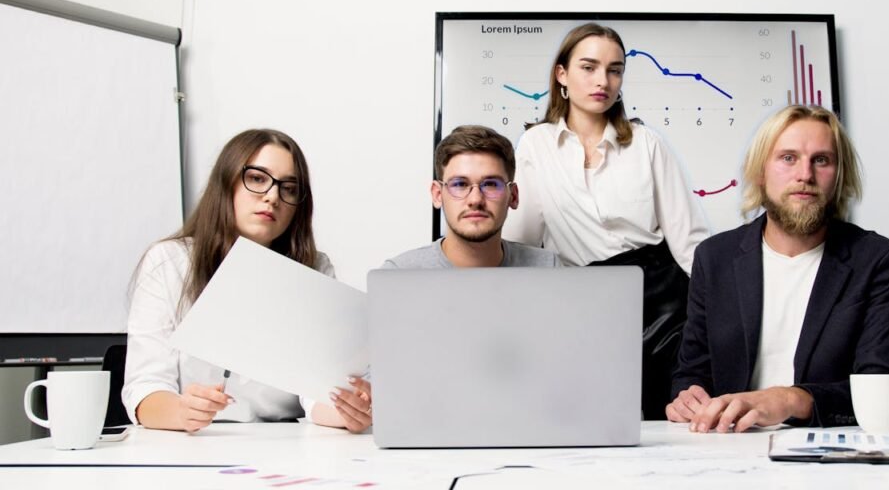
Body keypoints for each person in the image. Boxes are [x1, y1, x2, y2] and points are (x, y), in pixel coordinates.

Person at [667, 105, 889, 432]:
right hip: (729, 446)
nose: (805, 175)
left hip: (831, 454)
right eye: (788, 158)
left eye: (822, 160)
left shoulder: (881, 261)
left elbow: (884, 388)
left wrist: (786, 400)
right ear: (760, 172)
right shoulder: (714, 258)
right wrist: (688, 397)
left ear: (839, 176)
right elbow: (691, 373)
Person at [503, 23, 708, 419]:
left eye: (615, 70)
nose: (603, 80)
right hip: (582, 304)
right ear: (562, 75)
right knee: (586, 420)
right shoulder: (536, 144)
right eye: (589, 67)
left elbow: (689, 242)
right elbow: (521, 246)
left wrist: (721, 319)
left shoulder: (647, 143)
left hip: (662, 303)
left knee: (664, 426)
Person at [122, 129, 372, 433]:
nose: (272, 196)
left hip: (285, 440)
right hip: (195, 442)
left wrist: (348, 412)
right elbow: (145, 387)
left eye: (289, 188)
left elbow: (317, 392)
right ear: (226, 182)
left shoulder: (314, 267)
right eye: (257, 179)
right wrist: (180, 412)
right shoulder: (170, 262)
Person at [384, 124, 558, 269]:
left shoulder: (547, 269)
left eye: (490, 184)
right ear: (437, 194)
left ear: (513, 196)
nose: (475, 200)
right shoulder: (399, 275)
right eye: (460, 184)